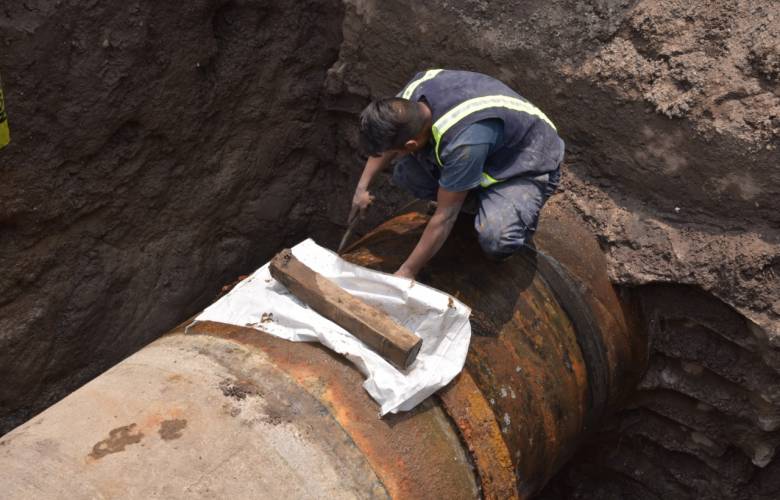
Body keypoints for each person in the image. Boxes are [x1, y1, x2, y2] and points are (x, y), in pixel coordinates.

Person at [350, 69, 564, 279]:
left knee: (496, 239)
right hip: (487, 144)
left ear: (411, 143)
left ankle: (506, 219)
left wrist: (407, 271)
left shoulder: (464, 143)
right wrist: (362, 188)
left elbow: (445, 217)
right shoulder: (405, 103)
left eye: (396, 150)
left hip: (524, 163)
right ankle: (466, 197)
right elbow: (387, 143)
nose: (391, 154)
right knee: (407, 173)